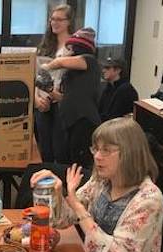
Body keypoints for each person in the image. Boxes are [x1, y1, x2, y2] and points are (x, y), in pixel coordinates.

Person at [30, 117, 163, 252]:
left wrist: (79, 207)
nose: (97, 156)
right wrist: (56, 191)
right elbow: (64, 220)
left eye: (107, 150)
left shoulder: (148, 199)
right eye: (96, 149)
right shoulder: (102, 181)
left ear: (130, 153)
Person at [42, 27, 102, 168]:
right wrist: (48, 89)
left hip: (84, 120)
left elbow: (59, 62)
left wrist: (44, 66)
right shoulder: (75, 72)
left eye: (71, 48)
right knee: (67, 159)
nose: (68, 51)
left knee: (80, 163)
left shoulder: (89, 61)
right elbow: (65, 98)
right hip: (71, 120)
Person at [34, 4, 75, 163]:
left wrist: (53, 95)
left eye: (59, 19)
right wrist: (37, 101)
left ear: (69, 22)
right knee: (44, 151)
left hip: (60, 102)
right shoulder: (44, 46)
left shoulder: (72, 48)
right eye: (52, 19)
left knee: (60, 150)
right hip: (41, 102)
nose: (54, 23)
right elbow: (36, 76)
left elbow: (70, 79)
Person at [98, 57, 139, 121]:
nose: (103, 70)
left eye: (107, 68)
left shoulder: (126, 90)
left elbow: (114, 116)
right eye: (104, 68)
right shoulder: (109, 88)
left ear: (118, 70)